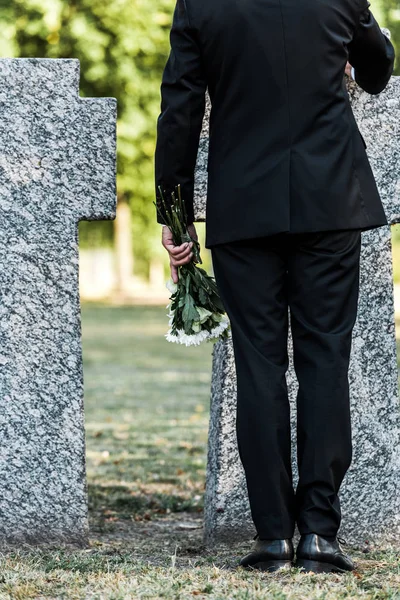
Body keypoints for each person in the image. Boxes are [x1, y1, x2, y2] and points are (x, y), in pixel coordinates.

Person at [154, 0, 395, 574]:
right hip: (330, 202)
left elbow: (180, 108)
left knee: (258, 363)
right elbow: (378, 69)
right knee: (324, 361)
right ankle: (318, 534)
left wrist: (175, 214)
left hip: (244, 209)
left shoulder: (201, 7)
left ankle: (271, 539)